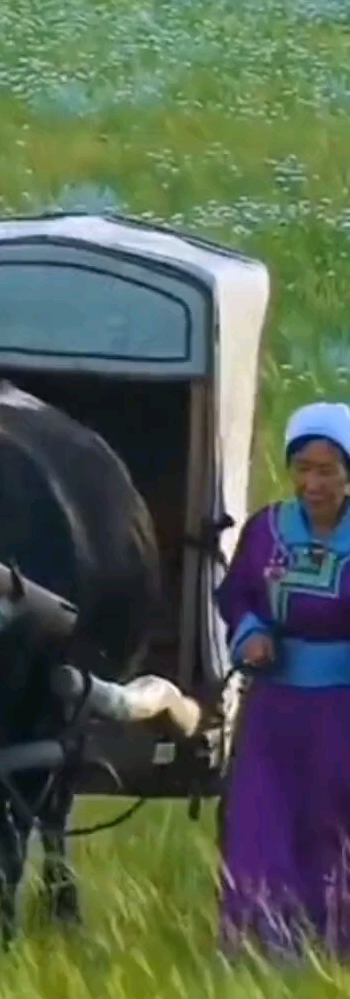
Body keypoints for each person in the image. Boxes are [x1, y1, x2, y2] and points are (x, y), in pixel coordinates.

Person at [216, 400, 350, 961]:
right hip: (273, 709)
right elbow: (238, 594)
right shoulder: (266, 530)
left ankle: (332, 942)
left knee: (331, 821)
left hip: (340, 711)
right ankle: (262, 943)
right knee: (259, 816)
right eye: (303, 468)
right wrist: (250, 633)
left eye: (326, 470)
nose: (312, 483)